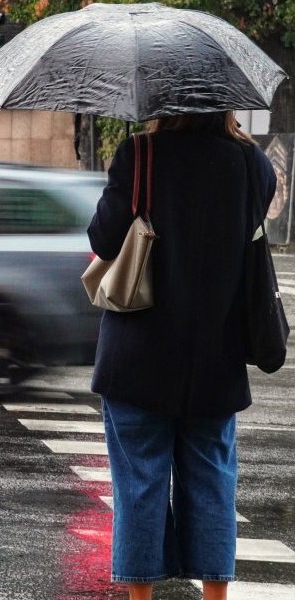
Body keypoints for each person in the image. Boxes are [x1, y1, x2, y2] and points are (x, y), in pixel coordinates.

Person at [87, 112, 275, 600]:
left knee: (140, 487)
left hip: (138, 358)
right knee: (213, 483)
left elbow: (103, 239)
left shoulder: (141, 154)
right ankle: (215, 597)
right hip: (217, 356)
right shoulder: (253, 163)